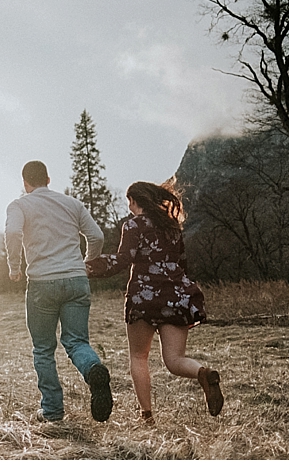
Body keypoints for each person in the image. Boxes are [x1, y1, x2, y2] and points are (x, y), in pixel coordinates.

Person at [85, 180, 223, 424]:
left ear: (136, 201)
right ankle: (203, 373)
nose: (129, 207)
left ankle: (146, 416)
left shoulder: (133, 225)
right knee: (175, 360)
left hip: (144, 298)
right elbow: (182, 264)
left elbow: (122, 260)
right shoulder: (172, 228)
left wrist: (88, 267)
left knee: (139, 357)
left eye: (129, 202)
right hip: (175, 297)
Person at [4, 160, 113, 423]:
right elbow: (96, 236)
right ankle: (93, 369)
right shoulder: (72, 204)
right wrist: (87, 263)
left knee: (43, 349)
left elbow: (12, 232)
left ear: (25, 183)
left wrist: (14, 267)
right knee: (77, 342)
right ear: (48, 179)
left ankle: (52, 412)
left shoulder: (20, 205)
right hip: (76, 279)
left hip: (42, 282)